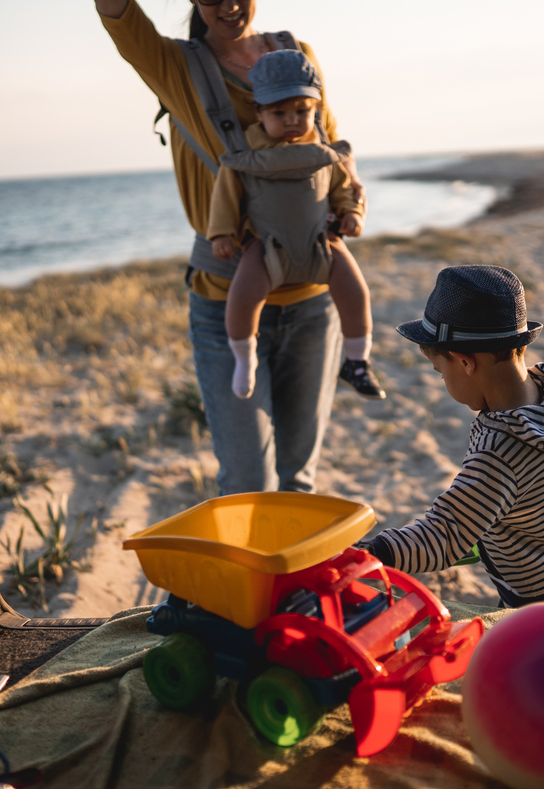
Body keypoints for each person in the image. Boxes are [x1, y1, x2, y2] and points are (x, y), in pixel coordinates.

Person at [95, 0, 365, 495]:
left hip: (312, 304)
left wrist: (350, 208)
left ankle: (293, 576)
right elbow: (117, 14)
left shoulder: (295, 52)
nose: (228, 5)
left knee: (298, 478)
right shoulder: (174, 67)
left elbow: (331, 145)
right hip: (226, 302)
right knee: (248, 483)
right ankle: (257, 576)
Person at [364, 265, 544, 608]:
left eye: (440, 372)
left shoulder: (498, 454)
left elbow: (444, 536)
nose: (442, 379)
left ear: (464, 363)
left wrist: (375, 551)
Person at [208, 50, 384, 401]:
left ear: (315, 111)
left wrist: (351, 212)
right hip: (267, 245)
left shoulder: (322, 152)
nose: (291, 120)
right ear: (259, 112)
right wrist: (222, 233)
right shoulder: (247, 155)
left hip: (321, 241)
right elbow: (225, 196)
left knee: (355, 293)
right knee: (243, 297)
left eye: (302, 112)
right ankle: (245, 358)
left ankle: (356, 362)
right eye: (279, 113)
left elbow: (341, 188)